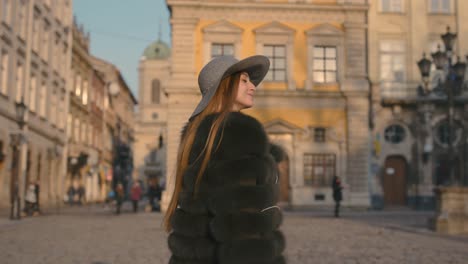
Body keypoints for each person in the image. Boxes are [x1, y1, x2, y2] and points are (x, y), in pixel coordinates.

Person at [164, 55, 285, 263]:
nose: (253, 87)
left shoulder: (200, 134)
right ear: (224, 86)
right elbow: (242, 228)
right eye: (244, 80)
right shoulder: (239, 134)